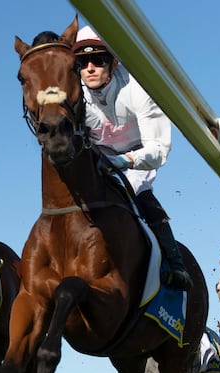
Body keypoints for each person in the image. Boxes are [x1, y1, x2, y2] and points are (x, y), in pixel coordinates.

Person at [72, 27, 192, 291]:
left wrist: (124, 161)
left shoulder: (138, 87)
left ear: (113, 62)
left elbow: (158, 150)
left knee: (138, 191)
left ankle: (175, 263)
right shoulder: (74, 92)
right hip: (99, 152)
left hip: (138, 152)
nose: (90, 68)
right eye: (82, 62)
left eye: (99, 60)